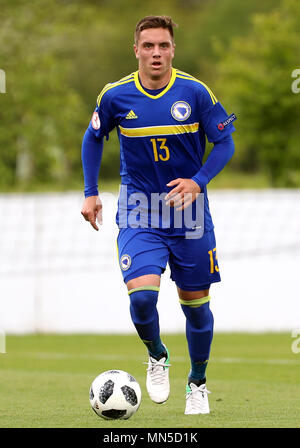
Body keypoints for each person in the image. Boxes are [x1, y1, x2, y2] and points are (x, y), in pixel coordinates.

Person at [81, 15, 235, 415]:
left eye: (163, 46)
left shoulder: (195, 92)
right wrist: (91, 193)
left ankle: (197, 383)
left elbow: (224, 143)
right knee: (143, 299)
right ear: (136, 49)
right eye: (148, 45)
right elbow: (92, 137)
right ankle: (157, 354)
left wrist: (198, 181)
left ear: (172, 50)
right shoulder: (115, 96)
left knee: (196, 305)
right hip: (138, 210)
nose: (155, 53)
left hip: (188, 211)